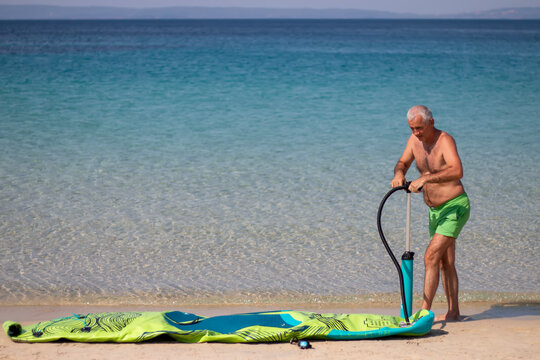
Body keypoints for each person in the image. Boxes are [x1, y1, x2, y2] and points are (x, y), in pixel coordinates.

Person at [391, 105, 470, 322]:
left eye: (419, 128)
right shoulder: (414, 141)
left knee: (431, 257)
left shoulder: (445, 140)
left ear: (431, 123)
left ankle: (424, 312)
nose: (416, 133)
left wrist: (424, 179)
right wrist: (399, 173)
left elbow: (457, 170)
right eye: (412, 128)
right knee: (446, 262)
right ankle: (454, 313)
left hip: (454, 206)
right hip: (434, 212)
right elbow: (403, 162)